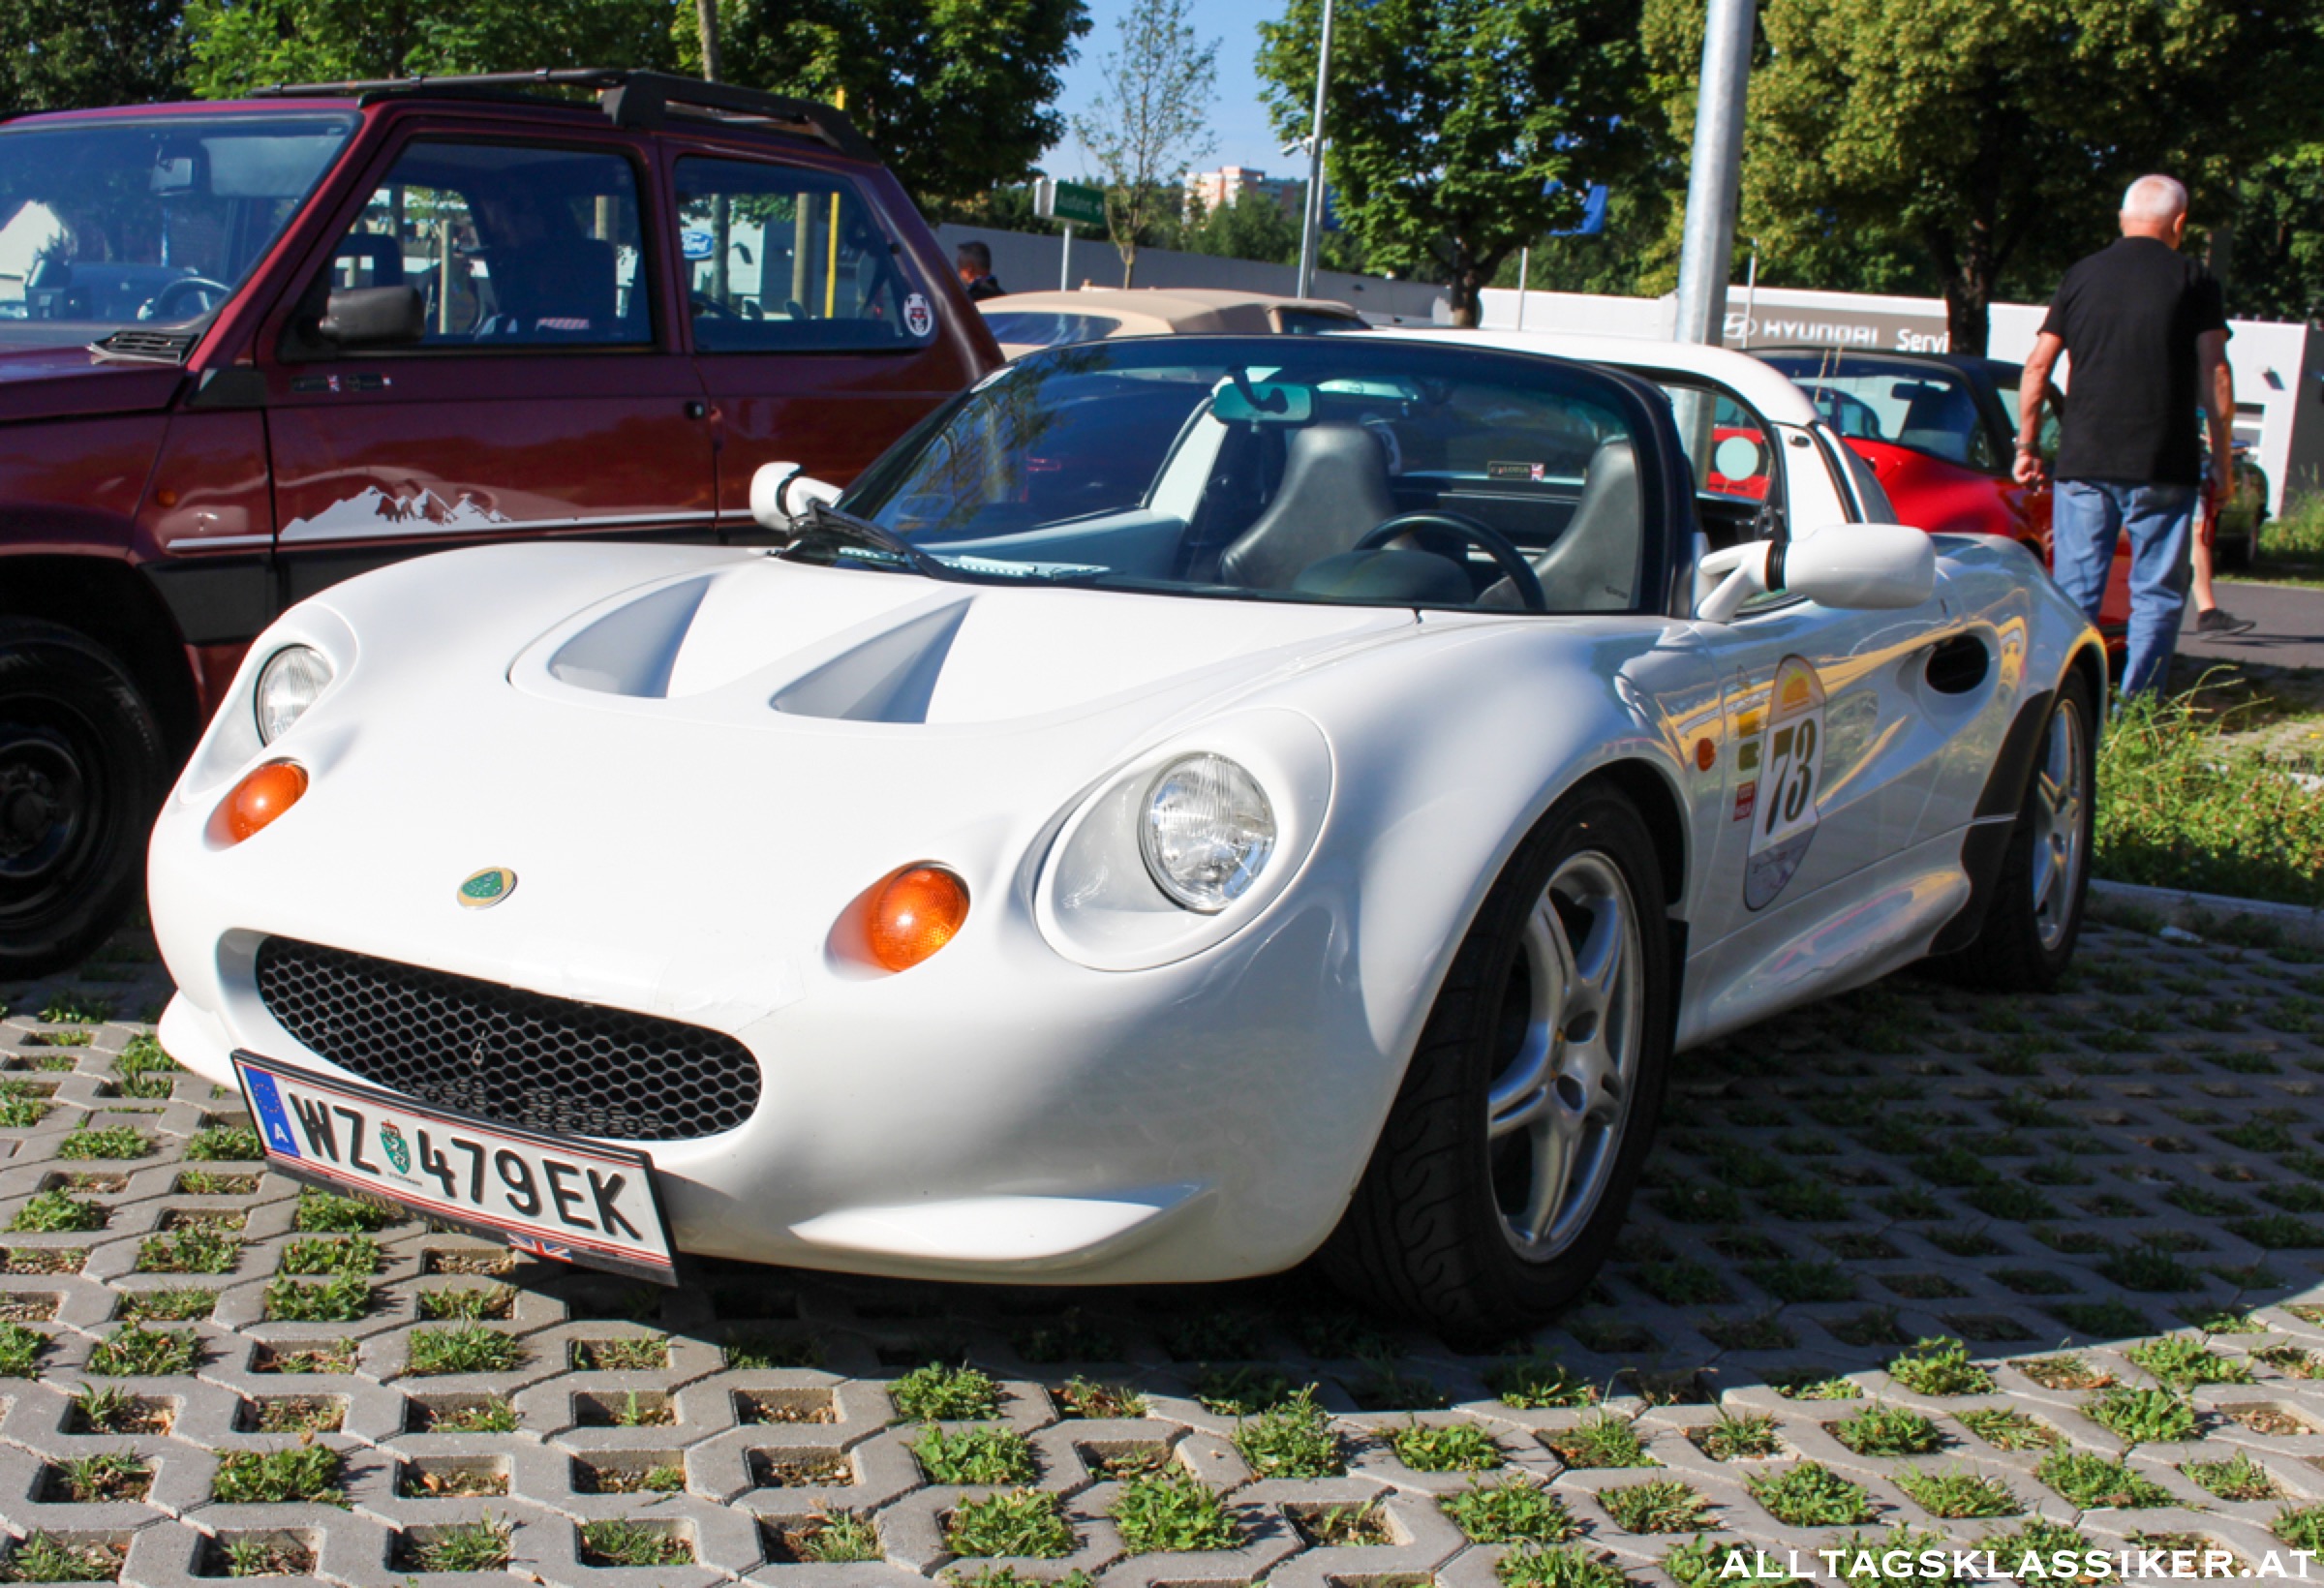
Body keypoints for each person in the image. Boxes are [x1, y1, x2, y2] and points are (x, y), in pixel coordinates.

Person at [2015, 174, 2234, 694]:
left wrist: (2027, 445)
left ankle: (2068, 705)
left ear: (2122, 218)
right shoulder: (2195, 279)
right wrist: (2223, 462)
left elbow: (2038, 366)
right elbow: (2216, 372)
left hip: (2085, 459)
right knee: (2156, 594)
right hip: (2164, 462)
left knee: (2074, 592)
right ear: (2180, 223)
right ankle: (2139, 708)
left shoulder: (2081, 275)